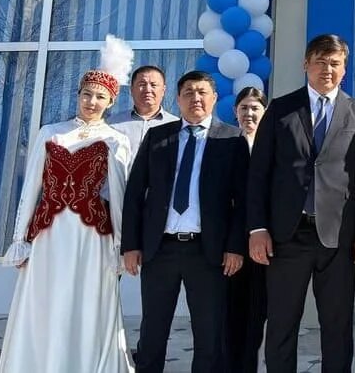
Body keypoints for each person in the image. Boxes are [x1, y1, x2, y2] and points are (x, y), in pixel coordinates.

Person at [246, 34, 355, 373]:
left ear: (344, 69)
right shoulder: (280, 109)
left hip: (339, 238)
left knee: (337, 327)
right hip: (286, 236)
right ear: (306, 65)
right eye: (320, 62)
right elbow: (259, 174)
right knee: (281, 324)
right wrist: (257, 228)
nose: (327, 69)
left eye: (335, 63)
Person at [0, 36, 135, 373]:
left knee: (86, 301)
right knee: (45, 300)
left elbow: (119, 196)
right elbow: (31, 187)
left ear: (110, 101)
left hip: (92, 237)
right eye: (86, 94)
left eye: (100, 96)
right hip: (49, 234)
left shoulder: (116, 139)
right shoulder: (51, 132)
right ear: (78, 95)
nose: (92, 101)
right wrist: (19, 238)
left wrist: (120, 245)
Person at [121, 70, 250, 373]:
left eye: (202, 92)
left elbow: (243, 202)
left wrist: (235, 247)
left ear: (214, 98)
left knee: (209, 335)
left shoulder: (232, 139)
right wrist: (131, 245)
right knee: (152, 332)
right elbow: (135, 192)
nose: (196, 98)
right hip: (160, 250)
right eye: (188, 92)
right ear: (177, 99)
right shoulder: (158, 137)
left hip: (208, 253)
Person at [224, 87, 268, 373]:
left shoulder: (272, 145)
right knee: (231, 316)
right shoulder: (225, 145)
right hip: (232, 246)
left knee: (257, 315)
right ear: (235, 111)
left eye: (255, 108)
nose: (249, 113)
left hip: (265, 246)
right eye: (244, 108)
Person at [109, 65, 179, 165]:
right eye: (142, 84)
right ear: (132, 90)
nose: (148, 89)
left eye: (153, 85)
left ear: (163, 90)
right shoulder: (113, 124)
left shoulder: (177, 126)